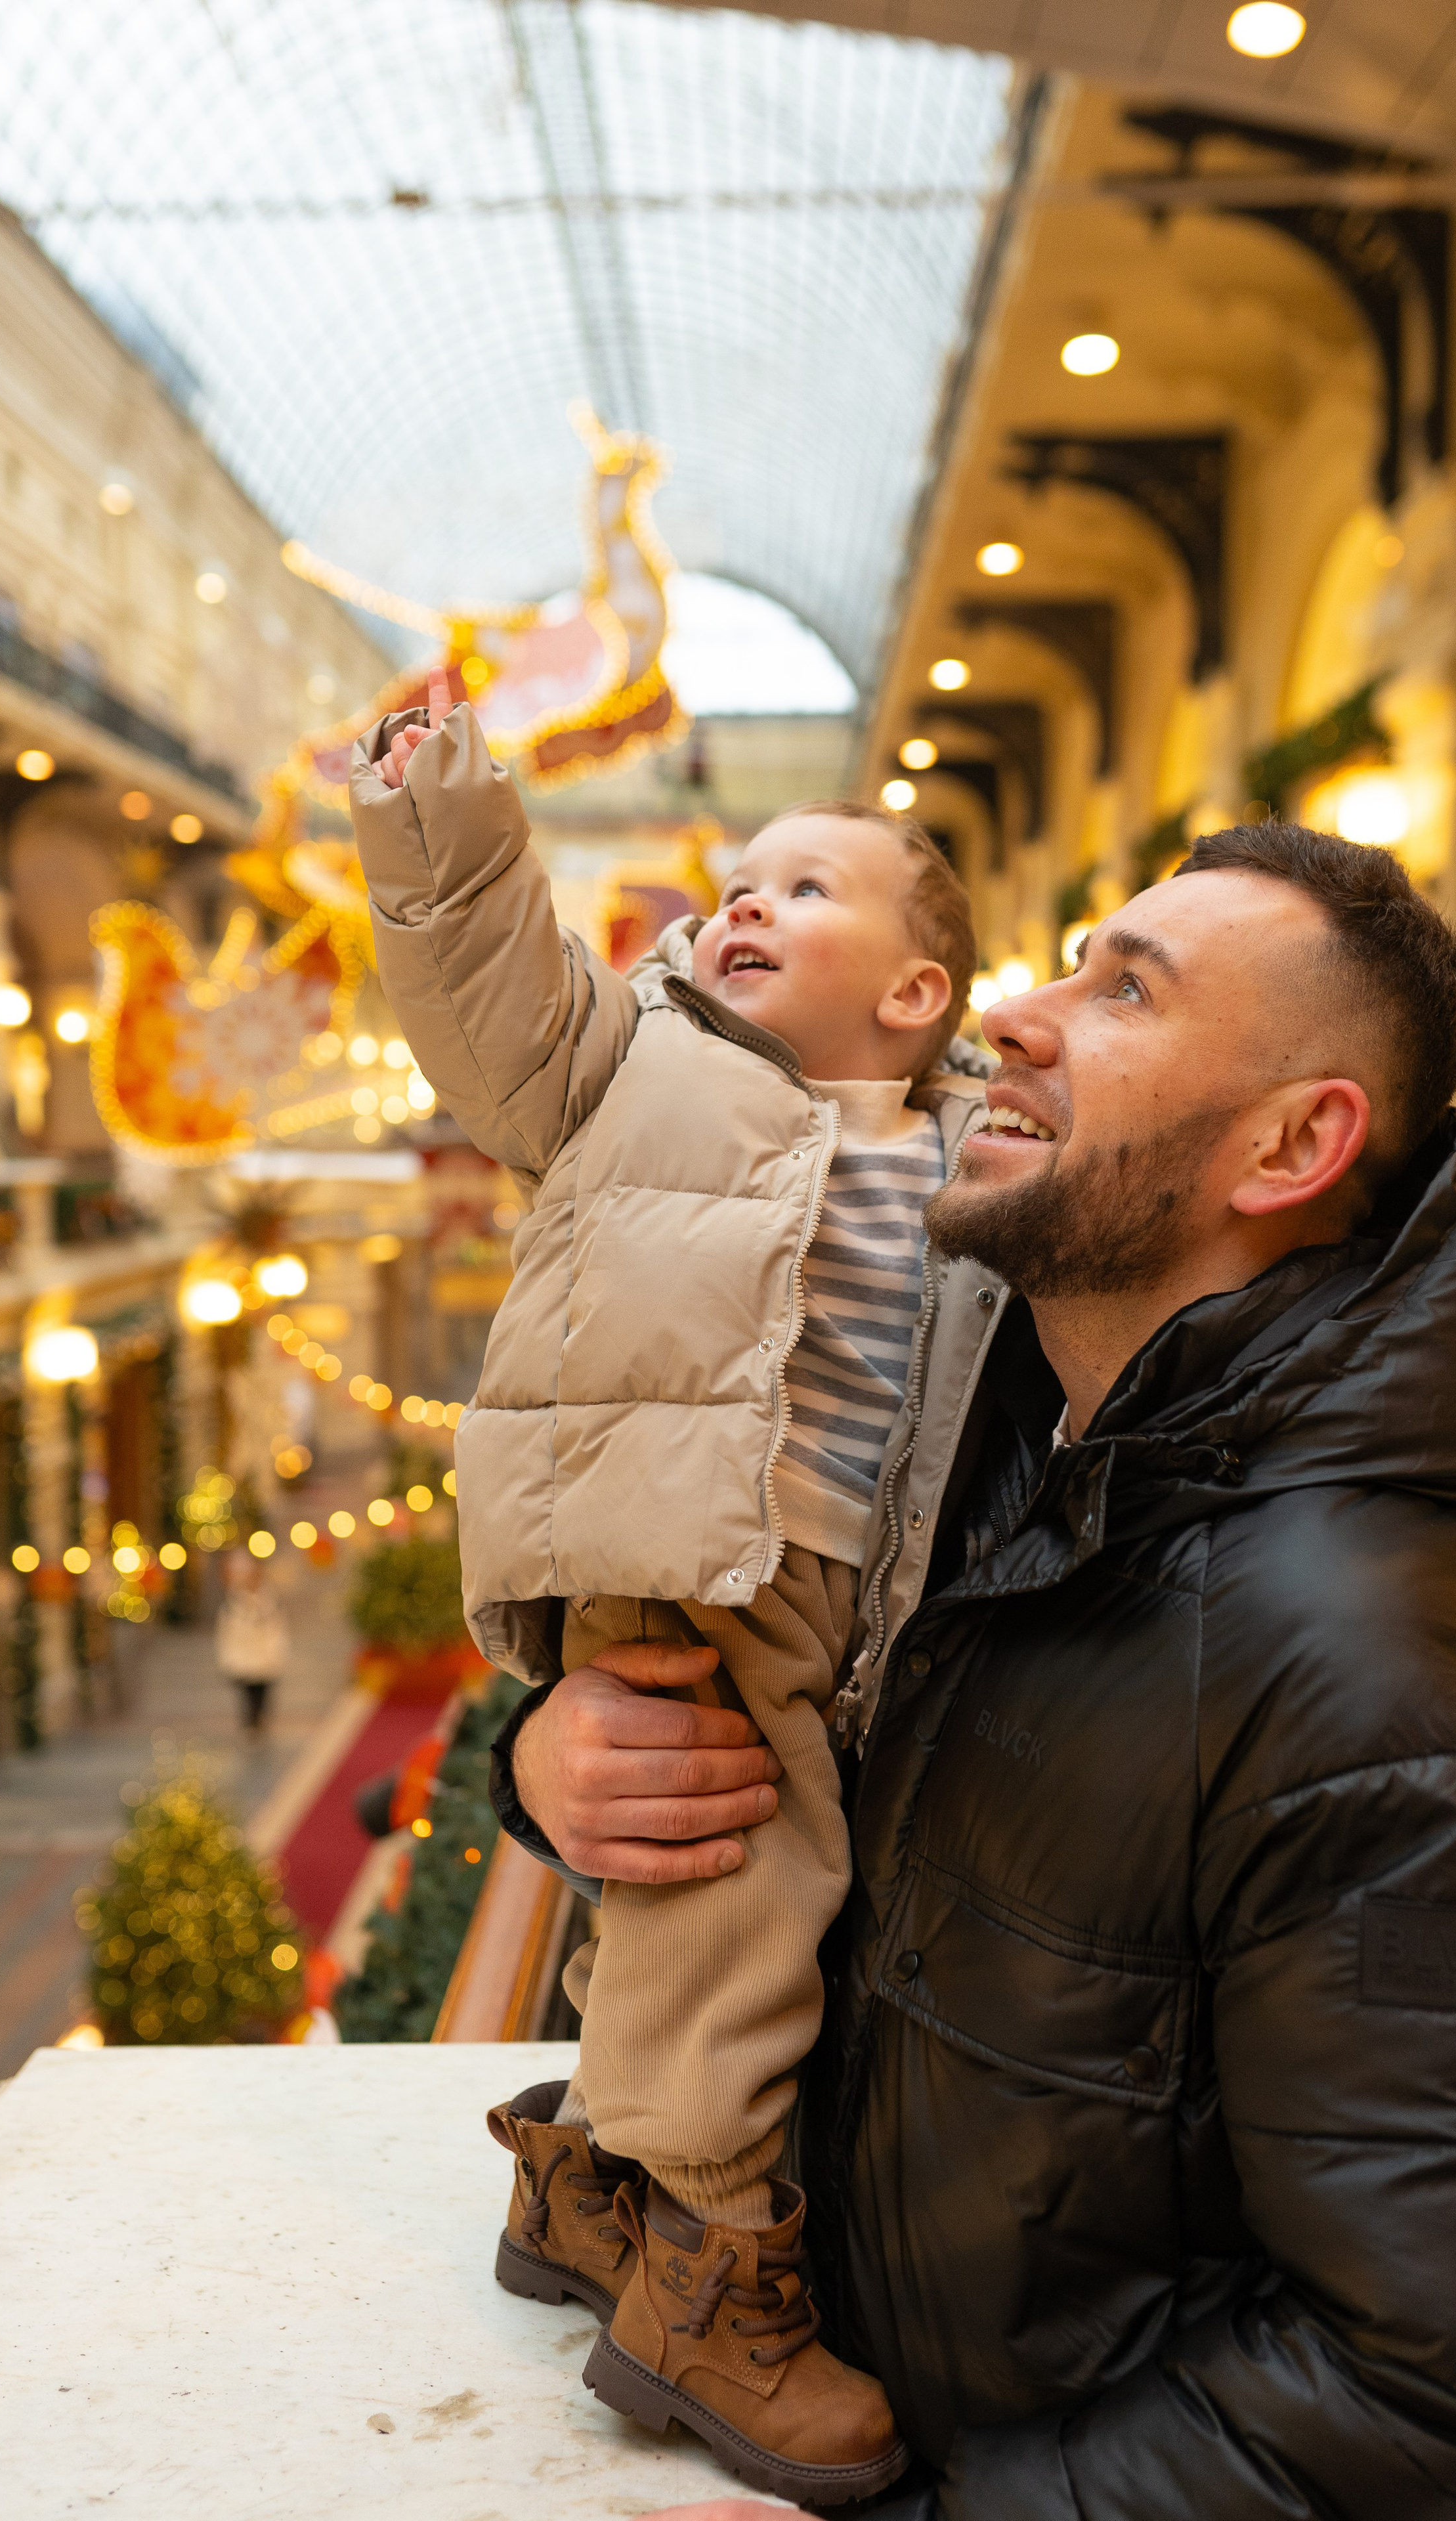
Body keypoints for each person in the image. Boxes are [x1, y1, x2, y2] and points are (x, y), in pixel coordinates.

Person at [496, 821, 1456, 2521]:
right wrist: (557, 1750)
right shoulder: (1003, 1436)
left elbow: (1448, 2401)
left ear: (1293, 1140)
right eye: (1065, 957)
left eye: (1122, 989)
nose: (1013, 1012)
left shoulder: (1392, 1671)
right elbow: (792, 1715)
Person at [349, 673, 1006, 2506]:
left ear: (919, 995)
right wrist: (437, 814)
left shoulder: (961, 1148)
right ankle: (713, 2275)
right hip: (679, 1538)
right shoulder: (639, 1059)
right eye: (735, 883)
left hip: (824, 1577)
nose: (744, 903)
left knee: (704, 1884)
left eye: (805, 890)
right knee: (742, 1872)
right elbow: (487, 987)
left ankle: (593, 2198)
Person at [215, 1552, 288, 1734]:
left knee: (262, 1692)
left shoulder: (270, 1598)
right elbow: (227, 1630)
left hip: (265, 1653)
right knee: (247, 1692)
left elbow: (277, 1626)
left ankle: (260, 1720)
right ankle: (250, 1722)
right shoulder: (233, 1601)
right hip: (244, 1654)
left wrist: (276, 1650)